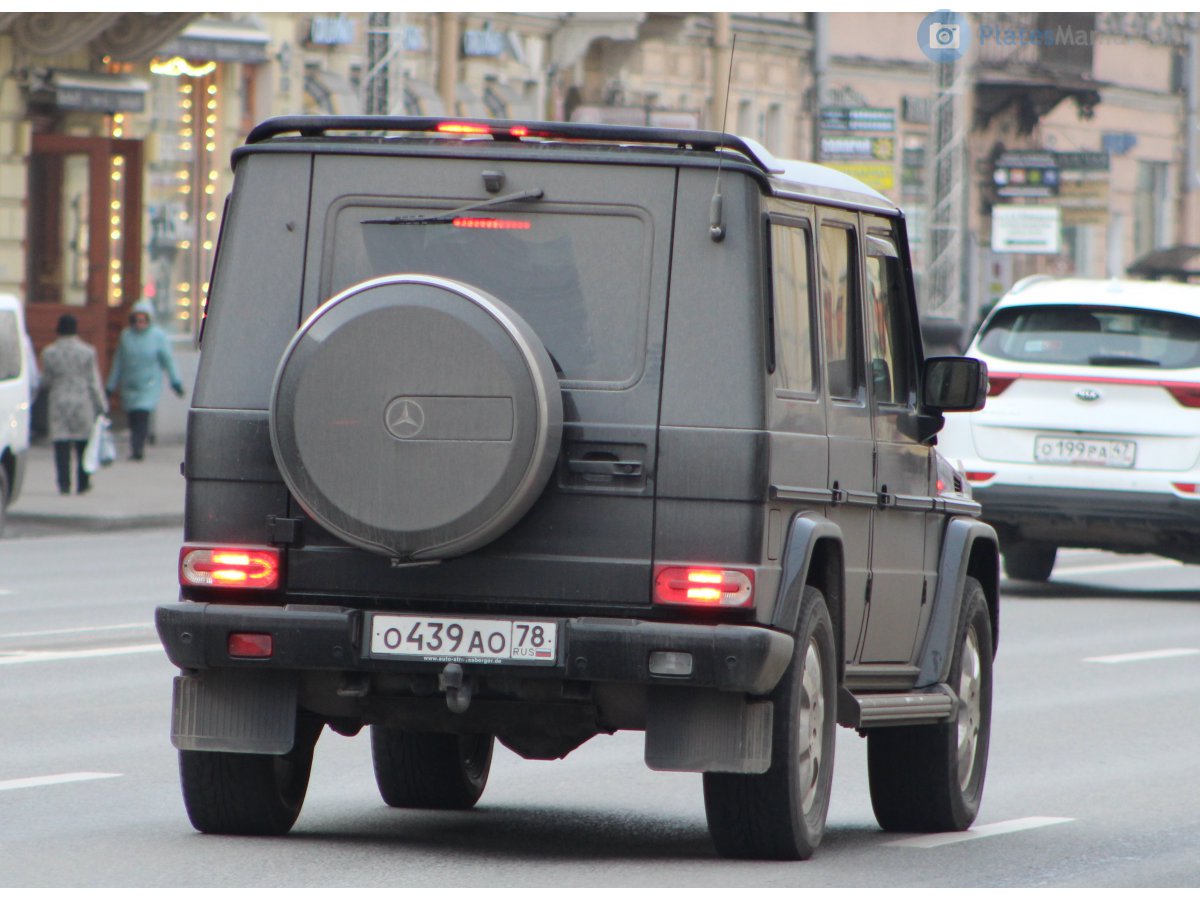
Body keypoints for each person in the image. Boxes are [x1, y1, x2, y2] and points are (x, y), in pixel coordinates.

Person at [106, 300, 184, 460]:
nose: (140, 323)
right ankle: (136, 444)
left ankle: (137, 448)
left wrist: (175, 381)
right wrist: (110, 385)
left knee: (142, 415)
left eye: (143, 320)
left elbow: (167, 360)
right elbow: (118, 361)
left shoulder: (158, 337)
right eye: (136, 320)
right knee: (133, 416)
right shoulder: (126, 336)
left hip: (149, 383)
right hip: (130, 384)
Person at [39, 314, 107, 495]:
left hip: (59, 401)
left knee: (61, 445)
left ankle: (63, 484)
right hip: (82, 401)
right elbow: (94, 382)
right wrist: (101, 405)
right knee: (83, 445)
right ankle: (83, 483)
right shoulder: (87, 351)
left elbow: (45, 381)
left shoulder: (49, 352)